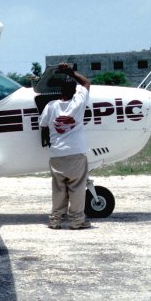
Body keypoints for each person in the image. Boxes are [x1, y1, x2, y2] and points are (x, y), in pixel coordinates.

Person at [39, 63, 92, 230]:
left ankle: (55, 220)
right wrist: (71, 71)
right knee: (77, 188)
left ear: (60, 91)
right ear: (74, 92)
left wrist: (47, 139)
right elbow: (86, 83)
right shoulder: (78, 103)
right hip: (76, 152)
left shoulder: (51, 106)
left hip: (57, 154)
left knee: (58, 189)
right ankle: (77, 221)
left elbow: (43, 125)